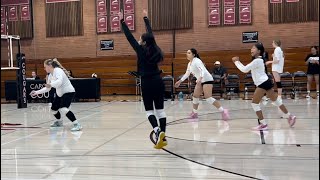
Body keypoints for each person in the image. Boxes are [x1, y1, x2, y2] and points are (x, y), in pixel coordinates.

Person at [119, 9, 167, 149]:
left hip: (146, 82)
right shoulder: (155, 48)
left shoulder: (140, 50)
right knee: (160, 110)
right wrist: (146, 19)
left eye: (141, 39)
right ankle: (163, 135)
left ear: (144, 42)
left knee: (149, 111)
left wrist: (122, 21)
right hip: (158, 81)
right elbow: (150, 34)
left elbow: (129, 37)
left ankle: (157, 130)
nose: (139, 40)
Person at [232, 42, 296, 130]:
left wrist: (236, 61)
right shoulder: (259, 60)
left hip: (262, 83)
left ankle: (264, 124)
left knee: (254, 103)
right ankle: (290, 116)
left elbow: (244, 70)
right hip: (266, 82)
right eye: (251, 48)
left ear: (259, 51)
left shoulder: (257, 61)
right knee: (276, 101)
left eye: (253, 48)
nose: (251, 49)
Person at [174, 48, 230, 120]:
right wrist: (180, 81)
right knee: (195, 96)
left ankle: (223, 111)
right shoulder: (189, 63)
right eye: (187, 53)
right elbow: (187, 73)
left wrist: (200, 78)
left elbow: (202, 70)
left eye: (189, 53)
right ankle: (194, 113)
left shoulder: (197, 61)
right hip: (200, 80)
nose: (187, 54)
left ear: (194, 54)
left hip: (207, 79)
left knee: (208, 98)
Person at [30, 58, 82, 131]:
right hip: (60, 94)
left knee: (63, 109)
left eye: (45, 67)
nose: (44, 69)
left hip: (68, 92)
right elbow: (47, 88)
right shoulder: (50, 75)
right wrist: (36, 92)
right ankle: (59, 122)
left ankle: (77, 124)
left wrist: (50, 84)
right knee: (53, 109)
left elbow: (59, 82)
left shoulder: (58, 70)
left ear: (50, 66)